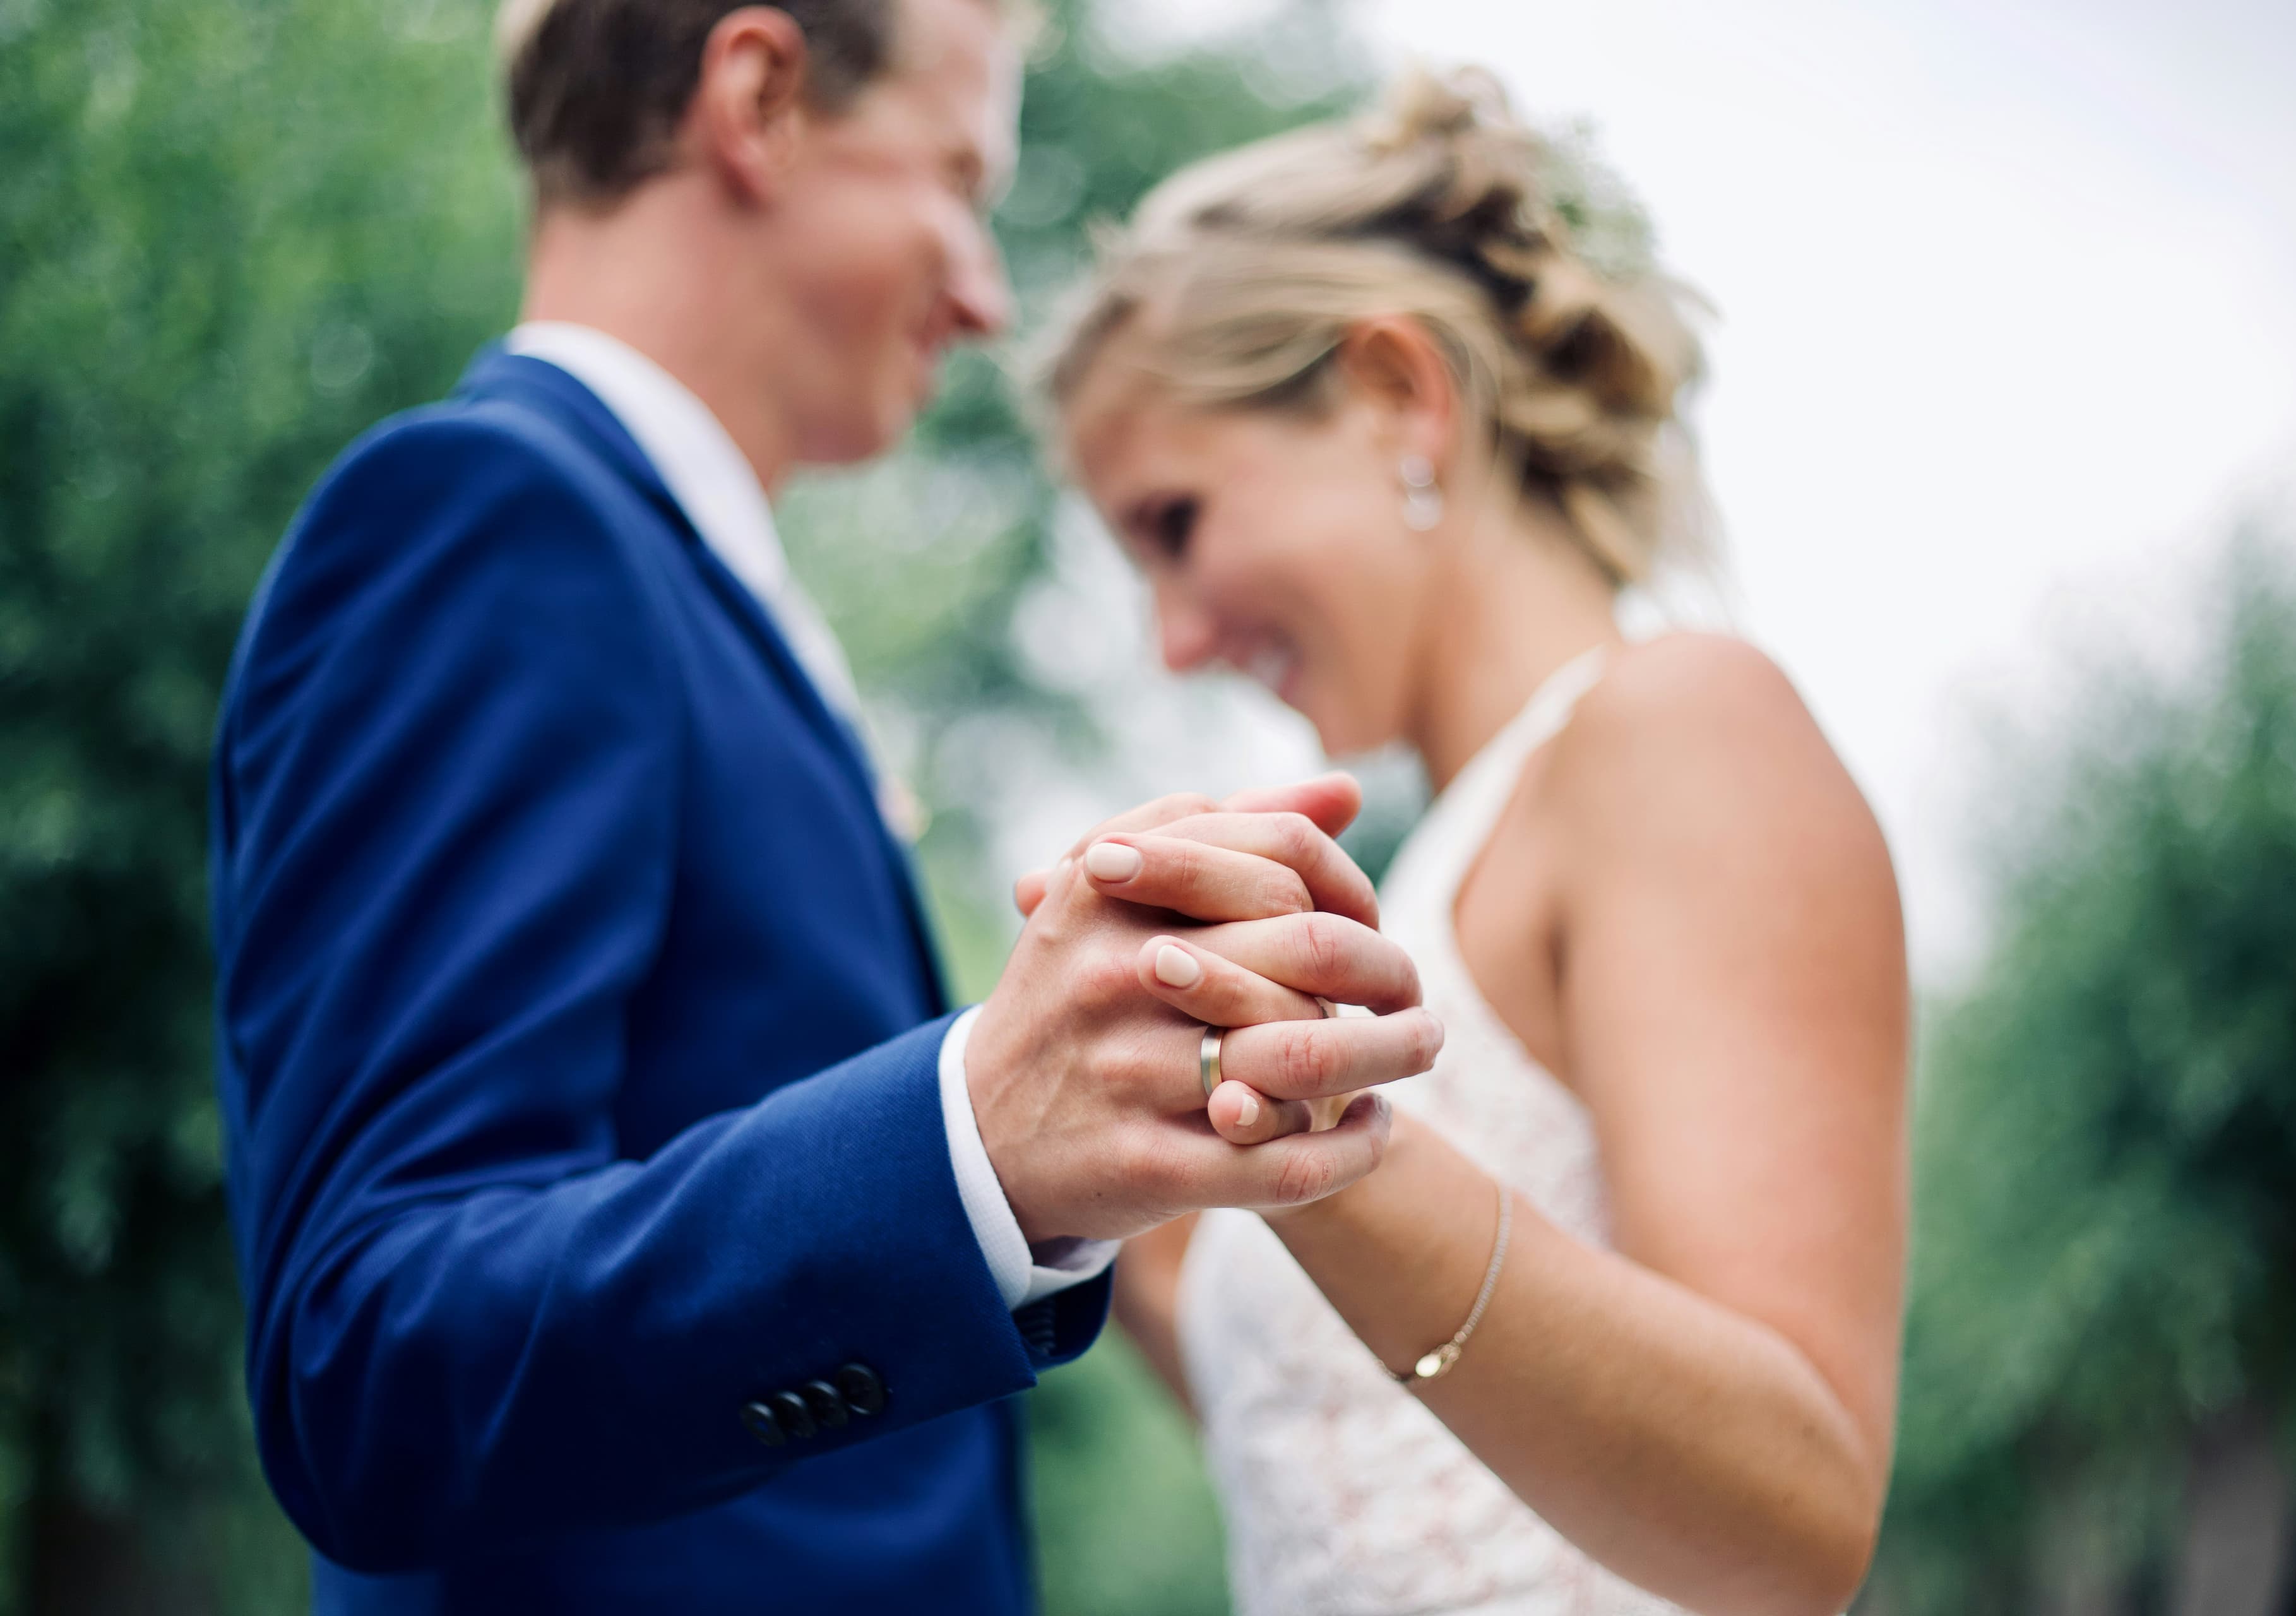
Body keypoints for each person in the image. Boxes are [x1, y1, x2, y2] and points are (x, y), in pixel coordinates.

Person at [206, 2, 1442, 1612]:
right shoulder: (484, 519)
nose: (987, 296)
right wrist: (972, 1144)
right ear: (761, 97)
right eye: (957, 177)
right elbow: (364, 1361)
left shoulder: (691, 594)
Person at [1038, 69, 1911, 1616]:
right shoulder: (1436, 868)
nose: (1172, 641)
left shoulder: (1677, 725)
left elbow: (1798, 1519)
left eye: (1176, 523)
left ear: (1397, 392)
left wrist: (1301, 1131)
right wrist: (1144, 1125)